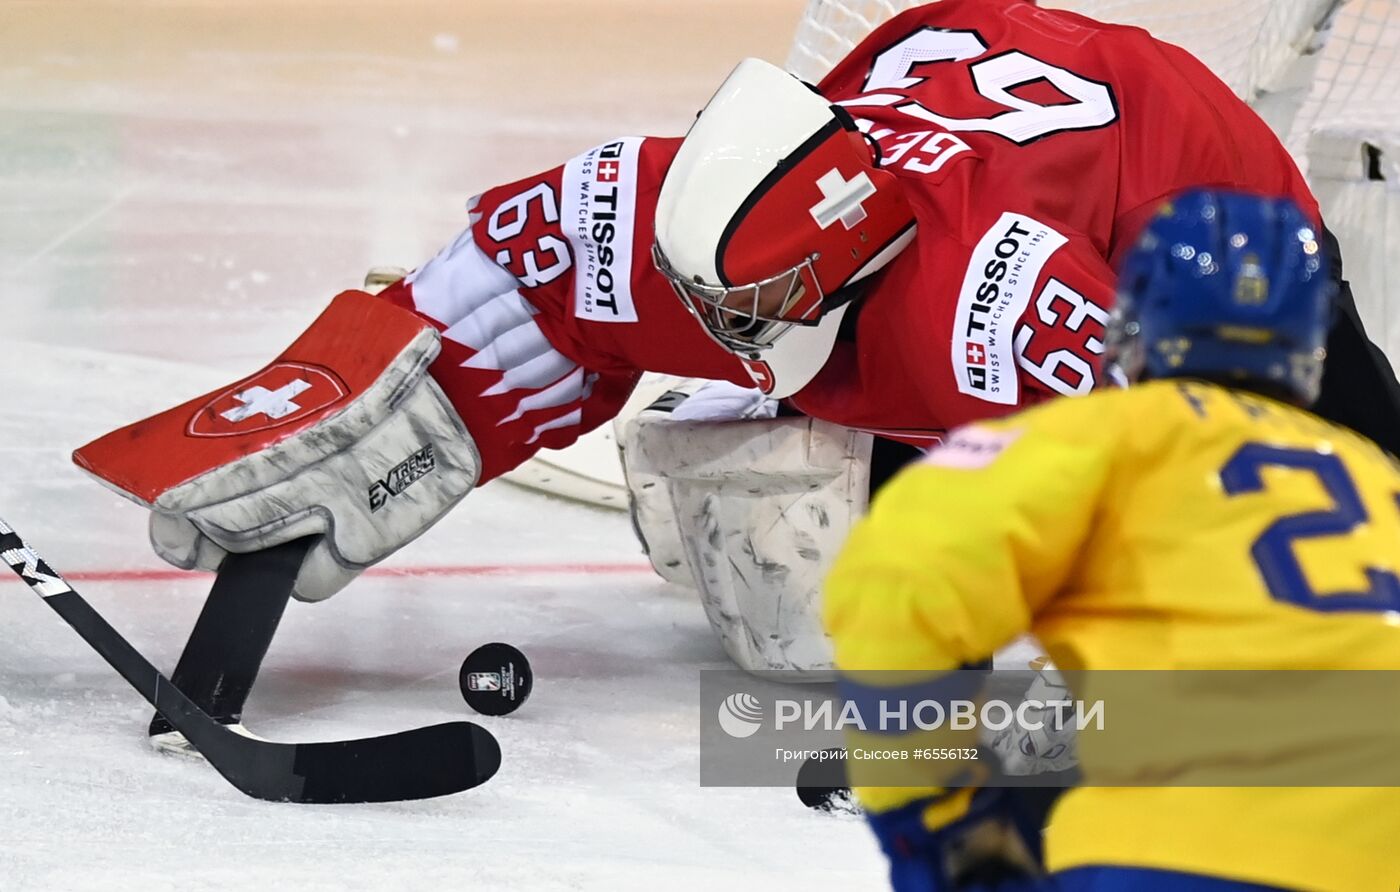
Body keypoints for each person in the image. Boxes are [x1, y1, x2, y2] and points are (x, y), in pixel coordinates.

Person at [72, 0, 1400, 730]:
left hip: (1178, 157)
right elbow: (482, 294)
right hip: (977, 76)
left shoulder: (1010, 316)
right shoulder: (689, 212)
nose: (719, 318)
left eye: (752, 305)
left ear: (835, 259)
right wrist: (317, 417)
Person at [820, 188, 1400, 891]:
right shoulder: (1370, 472)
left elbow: (900, 581)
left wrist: (936, 825)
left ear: (1135, 320)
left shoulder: (1100, 437)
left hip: (1180, 852)